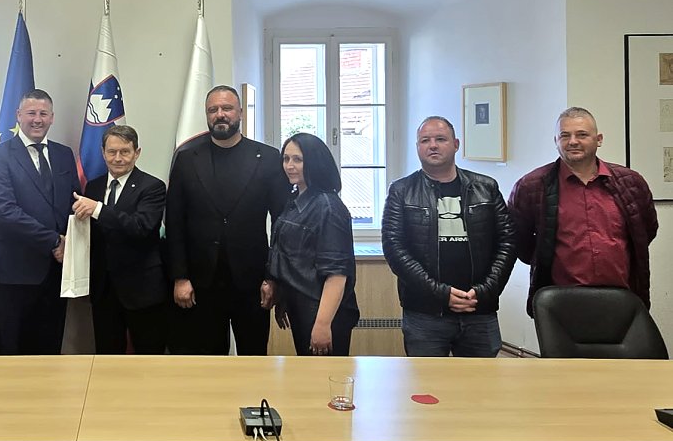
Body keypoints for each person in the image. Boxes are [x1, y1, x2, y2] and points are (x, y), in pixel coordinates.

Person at [166, 85, 289, 355]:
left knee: (254, 358)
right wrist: (180, 277)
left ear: (240, 112)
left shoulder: (268, 158)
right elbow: (174, 222)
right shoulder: (186, 159)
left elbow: (282, 224)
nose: (220, 114)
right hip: (201, 283)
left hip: (253, 282)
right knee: (208, 364)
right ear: (206, 115)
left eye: (227, 108)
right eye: (213, 109)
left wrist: (273, 277)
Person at [382, 116, 516, 357]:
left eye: (440, 139)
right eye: (425, 140)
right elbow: (394, 248)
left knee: (481, 381)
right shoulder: (401, 191)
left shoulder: (486, 187)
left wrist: (485, 290)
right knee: (427, 380)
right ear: (417, 147)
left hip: (479, 309)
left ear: (456, 144)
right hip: (425, 313)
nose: (432, 145)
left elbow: (507, 242)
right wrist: (440, 294)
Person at [509, 106, 658, 315]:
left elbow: (645, 231)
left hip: (624, 298)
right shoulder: (531, 186)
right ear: (555, 141)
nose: (573, 141)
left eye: (582, 134)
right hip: (560, 302)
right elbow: (518, 241)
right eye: (565, 135)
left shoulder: (631, 183)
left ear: (599, 139)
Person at [0, 89, 76, 355]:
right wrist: (54, 241)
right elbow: (4, 211)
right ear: (18, 115)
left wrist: (71, 242)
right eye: (31, 113)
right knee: (14, 355)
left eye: (43, 113)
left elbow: (73, 203)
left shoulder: (64, 154)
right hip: (14, 276)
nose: (37, 119)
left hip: (56, 274)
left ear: (52, 117)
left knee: (50, 353)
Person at [71, 124, 169, 354]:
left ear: (137, 152)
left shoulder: (153, 187)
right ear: (103, 152)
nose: (118, 158)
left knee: (149, 356)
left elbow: (141, 227)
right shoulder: (93, 187)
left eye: (125, 151)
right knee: (107, 356)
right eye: (112, 152)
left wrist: (98, 209)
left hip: (142, 289)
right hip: (104, 289)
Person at [262, 134, 359, 356]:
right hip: (302, 307)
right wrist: (282, 295)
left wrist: (323, 325)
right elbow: (291, 255)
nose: (289, 166)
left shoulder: (328, 207)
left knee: (324, 375)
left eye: (298, 159)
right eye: (286, 159)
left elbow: (337, 274)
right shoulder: (296, 199)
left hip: (323, 312)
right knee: (308, 373)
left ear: (315, 162)